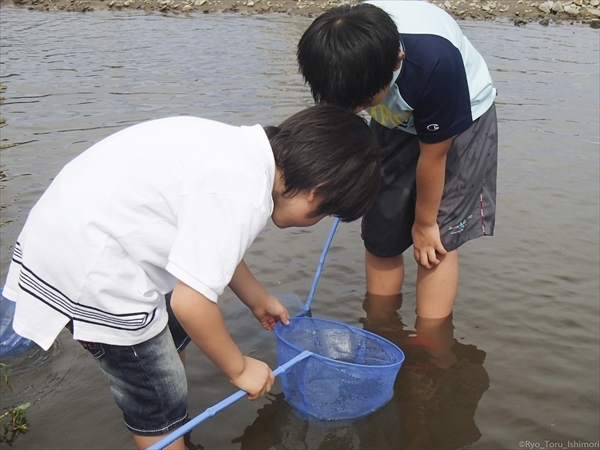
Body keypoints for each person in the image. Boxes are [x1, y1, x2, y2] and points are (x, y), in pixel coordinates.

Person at [1, 105, 381, 450]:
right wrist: (239, 368)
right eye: (324, 214)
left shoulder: (243, 151)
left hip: (71, 236)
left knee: (170, 338)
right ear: (316, 194)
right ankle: (166, 427)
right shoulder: (244, 195)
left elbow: (211, 246)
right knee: (156, 396)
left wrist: (256, 299)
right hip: (93, 275)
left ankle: (172, 411)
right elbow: (191, 302)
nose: (312, 224)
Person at [297, 0, 498, 319]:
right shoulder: (340, 53)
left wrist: (424, 222)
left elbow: (434, 157)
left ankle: (430, 342)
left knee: (436, 241)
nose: (353, 112)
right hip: (394, 112)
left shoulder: (435, 62)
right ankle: (381, 325)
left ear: (396, 62)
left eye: (360, 103)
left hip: (457, 117)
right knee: (380, 227)